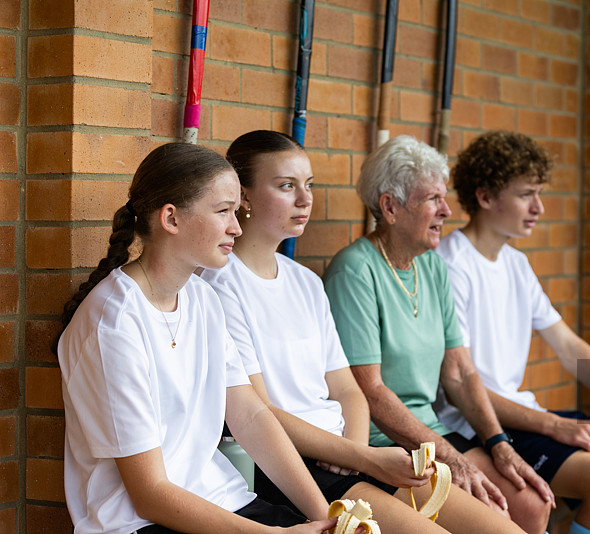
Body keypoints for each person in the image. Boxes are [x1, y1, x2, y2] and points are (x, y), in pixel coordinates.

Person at [201, 129, 529, 534]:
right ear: (244, 197)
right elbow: (259, 412)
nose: (305, 199)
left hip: (348, 452)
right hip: (289, 465)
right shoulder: (219, 285)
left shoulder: (305, 282)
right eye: (287, 186)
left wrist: (357, 452)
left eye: (309, 185)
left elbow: (347, 390)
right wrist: (359, 458)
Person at [55, 142, 337, 534]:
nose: (237, 227)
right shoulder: (113, 323)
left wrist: (325, 516)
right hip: (140, 523)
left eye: (236, 212)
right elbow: (149, 493)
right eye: (223, 211)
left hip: (223, 501)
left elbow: (251, 415)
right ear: (171, 218)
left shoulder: (201, 296)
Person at [435, 130, 590, 534]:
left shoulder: (516, 264)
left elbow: (570, 348)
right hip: (482, 427)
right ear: (485, 197)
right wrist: (553, 425)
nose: (539, 207)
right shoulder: (450, 266)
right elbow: (457, 387)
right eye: (526, 194)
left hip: (530, 415)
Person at [322, 135, 556, 534]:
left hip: (433, 434)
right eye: (432, 199)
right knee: (500, 527)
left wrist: (498, 443)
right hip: (387, 445)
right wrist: (450, 457)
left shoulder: (431, 266)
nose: (447, 210)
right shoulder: (355, 271)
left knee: (532, 504)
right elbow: (371, 391)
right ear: (390, 207)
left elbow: (460, 372)